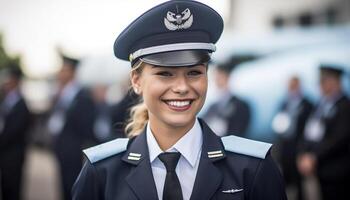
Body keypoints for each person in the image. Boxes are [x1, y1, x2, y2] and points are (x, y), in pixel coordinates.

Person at [72, 1, 287, 199]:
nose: (182, 87)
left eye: (194, 72)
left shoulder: (252, 169)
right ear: (136, 80)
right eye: (165, 73)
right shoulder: (101, 173)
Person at [297, 64, 350, 200]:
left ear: (335, 82)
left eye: (323, 82)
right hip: (321, 168)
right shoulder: (320, 105)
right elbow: (308, 132)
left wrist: (314, 156)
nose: (320, 86)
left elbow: (339, 138)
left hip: (338, 169)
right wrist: (303, 153)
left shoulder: (345, 106)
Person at [47, 54, 96, 200]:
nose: (60, 73)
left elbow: (85, 125)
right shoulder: (61, 93)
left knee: (72, 187)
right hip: (61, 147)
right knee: (63, 186)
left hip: (73, 150)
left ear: (72, 72)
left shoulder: (82, 95)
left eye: (64, 69)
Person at [271, 76, 313, 200]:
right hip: (285, 145)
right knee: (285, 177)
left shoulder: (307, 104)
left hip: (298, 145)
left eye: (294, 85)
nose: (291, 88)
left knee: (299, 180)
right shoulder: (284, 103)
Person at [0, 66, 32, 200]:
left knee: (13, 188)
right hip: (6, 153)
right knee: (6, 187)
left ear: (14, 80)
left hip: (13, 155)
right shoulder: (6, 100)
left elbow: (13, 131)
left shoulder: (21, 104)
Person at [202, 57, 252, 137]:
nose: (216, 79)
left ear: (227, 77)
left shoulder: (240, 105)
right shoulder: (213, 106)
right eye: (216, 76)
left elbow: (239, 131)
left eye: (219, 76)